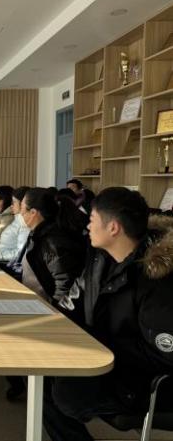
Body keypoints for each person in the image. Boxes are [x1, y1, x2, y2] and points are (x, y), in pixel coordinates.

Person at [43, 188, 173, 441]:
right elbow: (73, 303)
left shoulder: (158, 278)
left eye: (92, 219)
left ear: (113, 228)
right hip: (106, 357)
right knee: (41, 372)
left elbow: (162, 353)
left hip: (144, 378)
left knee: (65, 391)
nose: (87, 226)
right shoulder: (100, 259)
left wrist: (94, 345)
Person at [20, 187, 87, 309]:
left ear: (33, 213)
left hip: (45, 307)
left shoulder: (52, 241)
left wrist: (53, 309)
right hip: (33, 302)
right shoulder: (38, 233)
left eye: (22, 209)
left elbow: (64, 285)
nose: (20, 214)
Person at [0, 186, 31, 266]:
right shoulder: (18, 220)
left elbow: (20, 253)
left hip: (6, 264)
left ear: (23, 204)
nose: (11, 205)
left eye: (14, 202)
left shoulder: (25, 224)